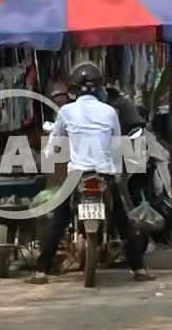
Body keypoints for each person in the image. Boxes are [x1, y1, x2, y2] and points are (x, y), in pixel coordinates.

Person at [31, 62, 151, 285]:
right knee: (123, 220)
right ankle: (139, 268)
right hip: (104, 173)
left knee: (58, 221)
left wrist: (48, 154)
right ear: (99, 87)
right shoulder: (109, 111)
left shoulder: (66, 111)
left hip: (77, 173)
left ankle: (40, 272)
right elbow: (116, 141)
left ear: (74, 88)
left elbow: (55, 140)